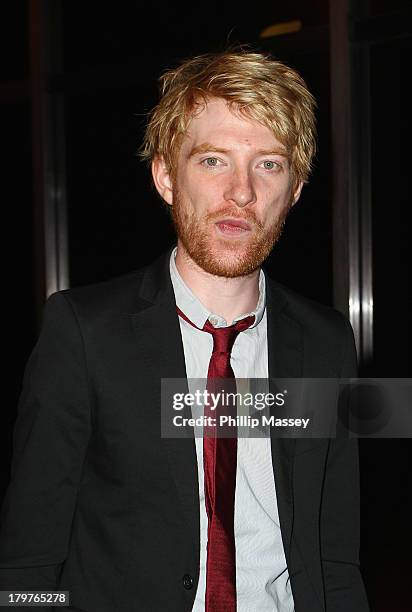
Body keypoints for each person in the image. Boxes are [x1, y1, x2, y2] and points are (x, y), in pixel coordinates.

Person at [0, 51, 370, 611]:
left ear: (295, 188)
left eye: (269, 164)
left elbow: (334, 552)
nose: (242, 192)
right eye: (213, 160)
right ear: (166, 177)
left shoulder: (327, 343)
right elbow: (29, 559)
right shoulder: (83, 332)